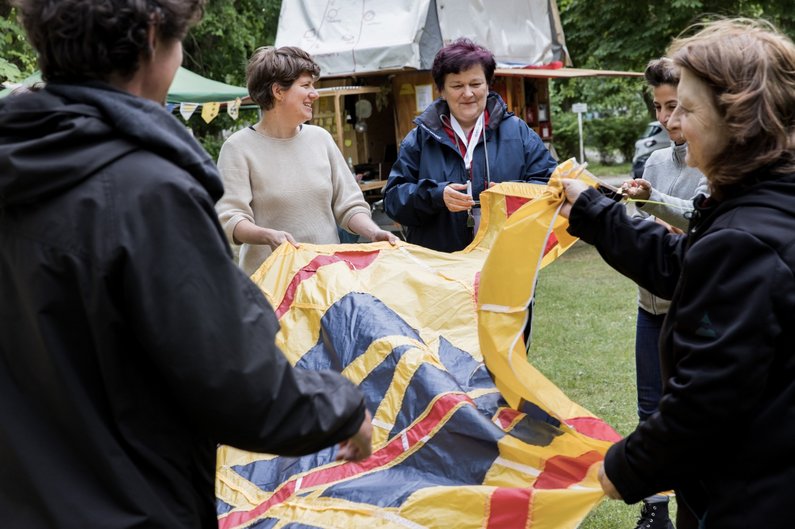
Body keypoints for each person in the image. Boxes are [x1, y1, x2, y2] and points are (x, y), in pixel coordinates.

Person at [0, 2, 372, 528]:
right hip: (133, 503)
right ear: (154, 38)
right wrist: (342, 409)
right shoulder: (147, 189)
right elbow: (234, 379)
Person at [559, 18, 795, 529]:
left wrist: (621, 469)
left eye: (687, 109)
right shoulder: (761, 205)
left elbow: (706, 400)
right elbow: (686, 263)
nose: (674, 124)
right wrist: (595, 211)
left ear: (738, 119)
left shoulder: (748, 239)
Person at [619, 57, 708, 529]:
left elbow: (702, 217)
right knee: (649, 410)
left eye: (674, 106)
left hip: (693, 308)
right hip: (649, 305)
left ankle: (698, 506)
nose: (666, 119)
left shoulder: (714, 156)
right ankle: (656, 512)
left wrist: (654, 204)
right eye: (658, 108)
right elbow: (645, 223)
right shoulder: (654, 159)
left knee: (693, 409)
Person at [216, 46, 397, 276]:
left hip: (326, 280)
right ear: (278, 92)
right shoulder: (238, 147)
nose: (315, 93)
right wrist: (267, 235)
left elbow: (349, 205)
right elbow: (230, 219)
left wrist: (373, 232)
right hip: (271, 288)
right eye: (305, 86)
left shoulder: (320, 139)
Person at [383, 38, 557, 253]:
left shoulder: (517, 132)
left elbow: (551, 185)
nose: (468, 94)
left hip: (508, 257)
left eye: (475, 84)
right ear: (442, 91)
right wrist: (435, 196)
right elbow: (393, 200)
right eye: (457, 85)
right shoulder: (420, 138)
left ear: (487, 85)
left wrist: (513, 193)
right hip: (441, 266)